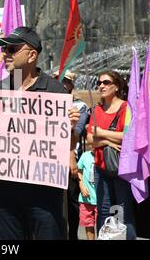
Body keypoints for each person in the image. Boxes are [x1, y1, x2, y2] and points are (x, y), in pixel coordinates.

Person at [0, 26, 80, 240]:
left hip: (44, 195)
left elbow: (69, 143)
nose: (5, 54)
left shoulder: (55, 91)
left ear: (32, 55)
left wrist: (71, 127)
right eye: (4, 49)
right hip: (5, 194)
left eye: (12, 49)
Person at [86, 70, 136, 240]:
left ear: (116, 86)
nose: (101, 86)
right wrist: (108, 141)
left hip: (122, 168)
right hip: (101, 168)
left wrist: (101, 132)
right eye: (99, 83)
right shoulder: (96, 110)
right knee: (104, 210)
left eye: (106, 82)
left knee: (122, 211)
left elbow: (128, 137)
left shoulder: (125, 108)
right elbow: (91, 139)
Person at [54, 70, 89, 240]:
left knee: (71, 202)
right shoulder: (47, 101)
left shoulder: (80, 106)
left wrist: (71, 158)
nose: (61, 83)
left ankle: (73, 235)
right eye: (57, 79)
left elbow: (77, 132)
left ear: (71, 85)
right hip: (50, 159)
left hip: (70, 160)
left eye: (65, 81)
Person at [77, 149, 97, 240]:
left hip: (101, 198)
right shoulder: (85, 155)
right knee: (88, 224)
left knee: (103, 224)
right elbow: (79, 170)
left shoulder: (104, 154)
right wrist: (81, 185)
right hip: (86, 198)